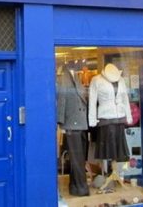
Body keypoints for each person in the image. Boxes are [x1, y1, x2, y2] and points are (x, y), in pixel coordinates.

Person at [88, 63, 132, 188]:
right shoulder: (96, 80)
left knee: (118, 150)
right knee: (108, 149)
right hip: (105, 119)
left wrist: (128, 116)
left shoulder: (121, 80)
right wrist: (92, 120)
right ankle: (109, 175)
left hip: (119, 119)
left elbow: (125, 98)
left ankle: (115, 174)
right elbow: (92, 101)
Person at [57, 63, 90, 196]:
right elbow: (62, 99)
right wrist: (61, 121)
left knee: (78, 158)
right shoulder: (64, 78)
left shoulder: (73, 76)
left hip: (78, 123)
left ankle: (75, 187)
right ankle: (81, 188)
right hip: (73, 123)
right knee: (77, 158)